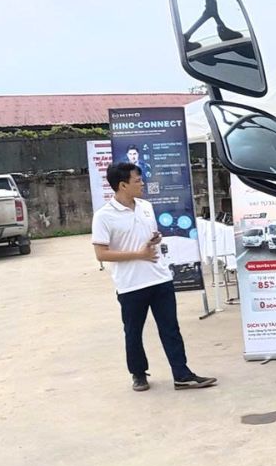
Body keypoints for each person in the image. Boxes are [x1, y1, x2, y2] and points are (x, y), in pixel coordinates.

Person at [91, 161, 217, 392]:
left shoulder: (146, 206)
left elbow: (146, 235)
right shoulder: (104, 216)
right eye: (138, 181)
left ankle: (182, 374)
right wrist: (138, 254)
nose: (143, 184)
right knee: (133, 332)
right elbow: (101, 253)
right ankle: (138, 374)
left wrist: (154, 239)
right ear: (122, 185)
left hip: (160, 278)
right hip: (131, 284)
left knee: (171, 329)